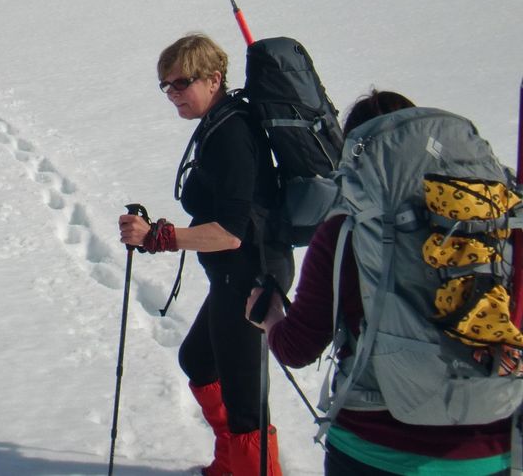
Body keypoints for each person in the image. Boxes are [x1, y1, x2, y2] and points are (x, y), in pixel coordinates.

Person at [245, 89, 513, 475]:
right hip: (488, 447)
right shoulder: (497, 225)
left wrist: (269, 317)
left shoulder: (347, 228)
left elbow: (298, 346)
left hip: (373, 448)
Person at [118, 33, 292, 476]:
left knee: (245, 403)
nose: (173, 94)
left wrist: (160, 236)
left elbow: (231, 233)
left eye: (181, 84)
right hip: (234, 277)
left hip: (251, 279)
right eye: (166, 86)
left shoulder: (232, 133)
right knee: (198, 359)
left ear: (214, 79)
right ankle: (232, 463)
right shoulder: (221, 121)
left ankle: (252, 468)